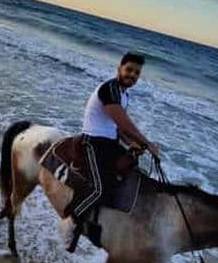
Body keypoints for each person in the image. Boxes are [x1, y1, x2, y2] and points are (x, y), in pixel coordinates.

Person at [63, 52, 160, 249]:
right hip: (92, 142)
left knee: (131, 171)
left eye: (136, 73)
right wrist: (147, 143)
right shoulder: (110, 89)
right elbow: (122, 122)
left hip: (109, 142)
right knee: (99, 188)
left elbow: (118, 128)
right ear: (119, 68)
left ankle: (103, 222)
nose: (132, 75)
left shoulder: (124, 94)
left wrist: (133, 144)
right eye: (129, 70)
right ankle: (71, 220)